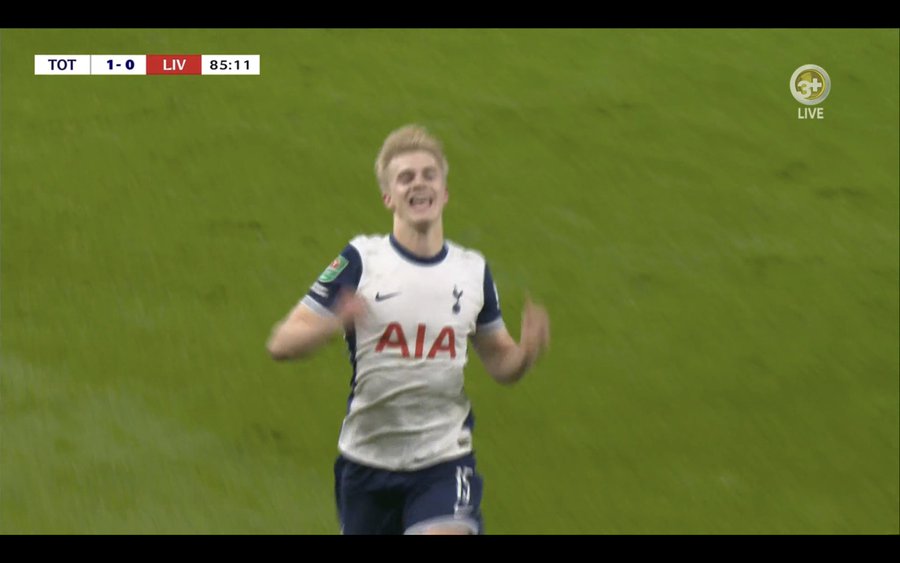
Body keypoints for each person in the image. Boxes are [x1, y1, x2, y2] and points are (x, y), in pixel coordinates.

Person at [267, 124, 550, 535]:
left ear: (445, 192)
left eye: (428, 175)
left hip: (443, 461)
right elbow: (281, 343)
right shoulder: (362, 259)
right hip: (366, 464)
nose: (419, 183)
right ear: (389, 197)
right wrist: (334, 321)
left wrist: (525, 353)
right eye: (406, 177)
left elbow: (501, 362)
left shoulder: (472, 271)